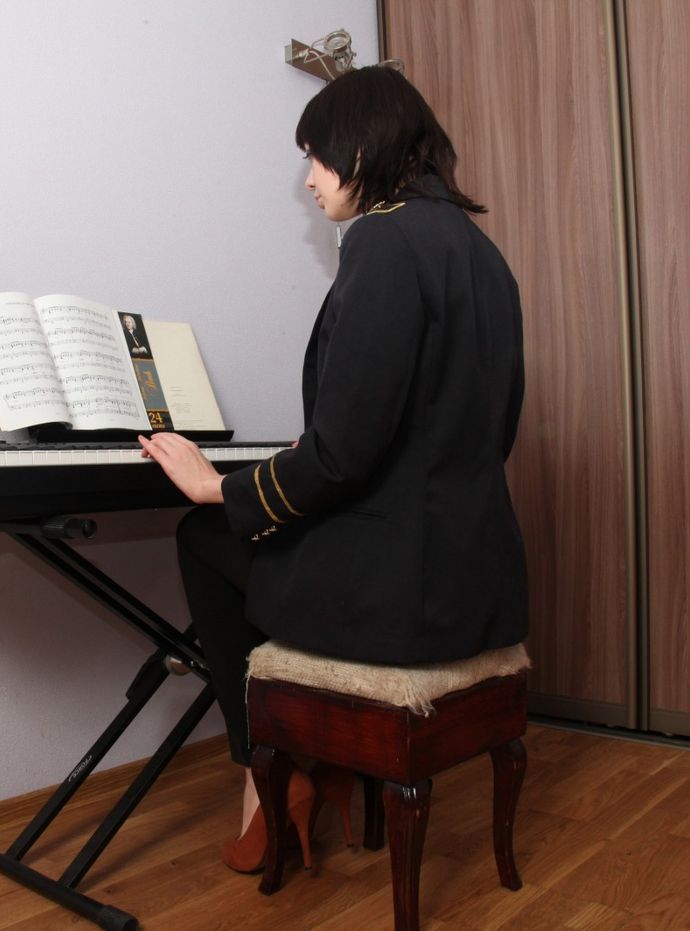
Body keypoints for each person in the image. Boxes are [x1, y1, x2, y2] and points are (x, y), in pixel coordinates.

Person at [138, 65, 528, 873]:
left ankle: (267, 771)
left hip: (402, 594)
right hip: (477, 582)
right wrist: (302, 469)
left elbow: (344, 454)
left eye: (314, 157)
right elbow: (481, 430)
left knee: (203, 533)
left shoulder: (384, 240)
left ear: (356, 150)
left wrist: (218, 484)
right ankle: (320, 755)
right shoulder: (482, 254)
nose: (309, 180)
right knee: (260, 530)